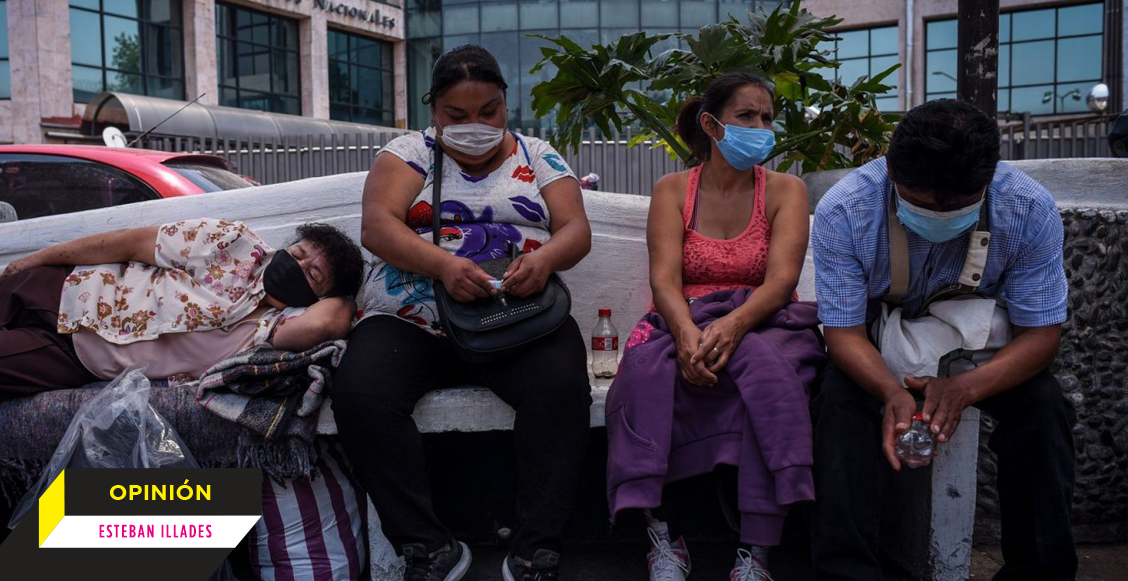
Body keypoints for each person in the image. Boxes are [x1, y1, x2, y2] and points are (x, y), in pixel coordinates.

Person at [332, 45, 593, 581]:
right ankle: (428, 547)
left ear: (505, 104)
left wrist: (544, 259)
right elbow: (377, 227)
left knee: (561, 387)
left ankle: (534, 549)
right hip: (412, 318)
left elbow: (575, 228)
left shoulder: (538, 155)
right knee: (361, 394)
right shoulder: (409, 153)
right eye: (457, 114)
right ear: (433, 110)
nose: (476, 125)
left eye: (489, 111)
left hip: (517, 316)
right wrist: (444, 266)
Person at [809, 99, 1076, 581]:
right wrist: (890, 391)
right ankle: (848, 571)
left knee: (1044, 406)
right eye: (922, 202)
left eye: (956, 206)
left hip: (978, 352)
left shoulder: (1027, 208)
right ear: (891, 171)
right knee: (837, 402)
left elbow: (1040, 335)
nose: (938, 214)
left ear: (988, 179)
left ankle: (1039, 570)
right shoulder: (847, 209)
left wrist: (964, 388)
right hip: (877, 346)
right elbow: (844, 334)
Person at [606, 72, 826, 581]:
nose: (762, 128)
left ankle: (757, 548)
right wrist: (686, 335)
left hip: (765, 319)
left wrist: (734, 326)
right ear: (711, 125)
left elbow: (782, 281)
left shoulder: (786, 190)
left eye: (767, 117)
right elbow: (664, 279)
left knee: (769, 383)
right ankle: (663, 534)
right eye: (746, 116)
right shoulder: (673, 190)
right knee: (645, 378)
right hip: (683, 318)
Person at [0, 219, 363, 397]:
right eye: (297, 253)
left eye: (313, 274)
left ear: (321, 297)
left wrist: (347, 296)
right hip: (65, 288)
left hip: (72, 356)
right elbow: (129, 243)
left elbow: (324, 325)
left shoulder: (275, 327)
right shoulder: (234, 244)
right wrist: (37, 260)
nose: (298, 266)